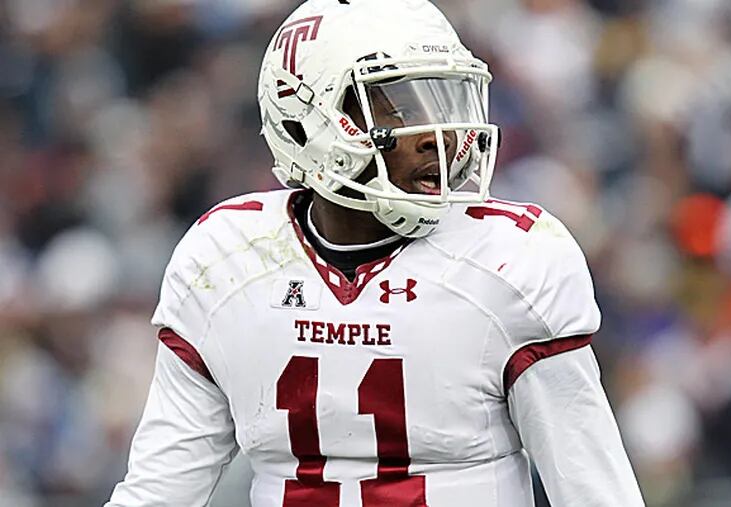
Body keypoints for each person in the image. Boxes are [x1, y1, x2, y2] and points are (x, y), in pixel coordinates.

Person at [107, 0, 645, 505]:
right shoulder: (227, 258)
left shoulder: (510, 262)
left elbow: (595, 492)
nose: (439, 135)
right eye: (403, 105)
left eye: (445, 100)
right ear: (306, 119)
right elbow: (159, 491)